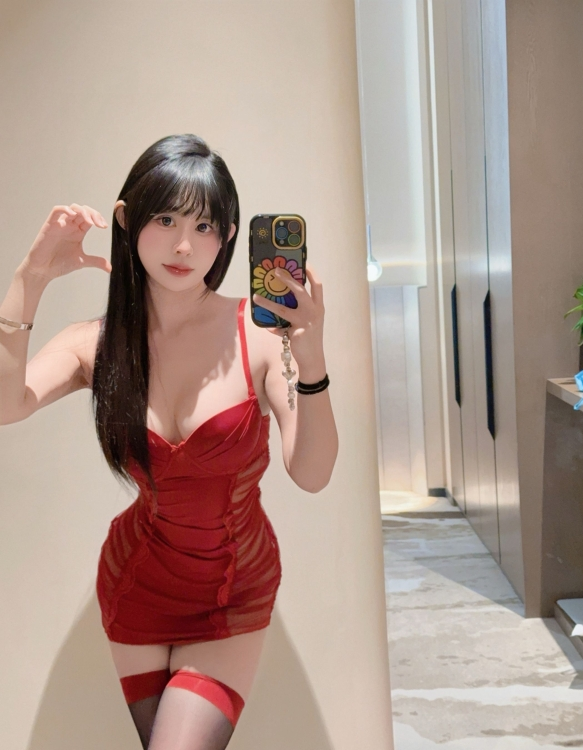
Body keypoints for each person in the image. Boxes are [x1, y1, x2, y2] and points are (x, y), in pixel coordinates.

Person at [0, 134, 338, 750]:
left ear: (228, 237)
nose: (184, 245)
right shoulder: (96, 343)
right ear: (126, 220)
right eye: (165, 220)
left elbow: (312, 474)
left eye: (204, 226)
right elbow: (7, 404)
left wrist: (311, 363)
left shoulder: (261, 335)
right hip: (138, 585)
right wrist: (32, 276)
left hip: (234, 591)